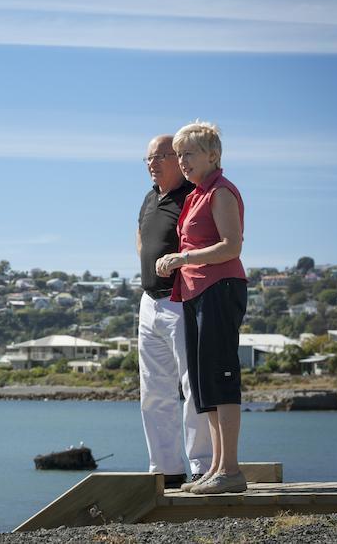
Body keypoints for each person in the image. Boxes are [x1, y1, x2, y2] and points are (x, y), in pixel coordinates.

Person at [157, 121, 248, 495]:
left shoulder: (221, 192)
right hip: (195, 292)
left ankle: (231, 471)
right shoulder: (196, 194)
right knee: (203, 383)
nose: (182, 161)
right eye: (178, 155)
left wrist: (183, 257)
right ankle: (216, 467)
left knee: (221, 379)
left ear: (213, 155)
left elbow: (232, 247)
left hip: (220, 288)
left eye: (189, 153)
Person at [137, 135, 213, 489]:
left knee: (191, 384)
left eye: (159, 156)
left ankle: (201, 465)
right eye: (148, 158)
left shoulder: (191, 196)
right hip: (149, 301)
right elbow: (141, 238)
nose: (152, 163)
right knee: (153, 390)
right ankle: (165, 469)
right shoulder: (150, 199)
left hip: (181, 299)